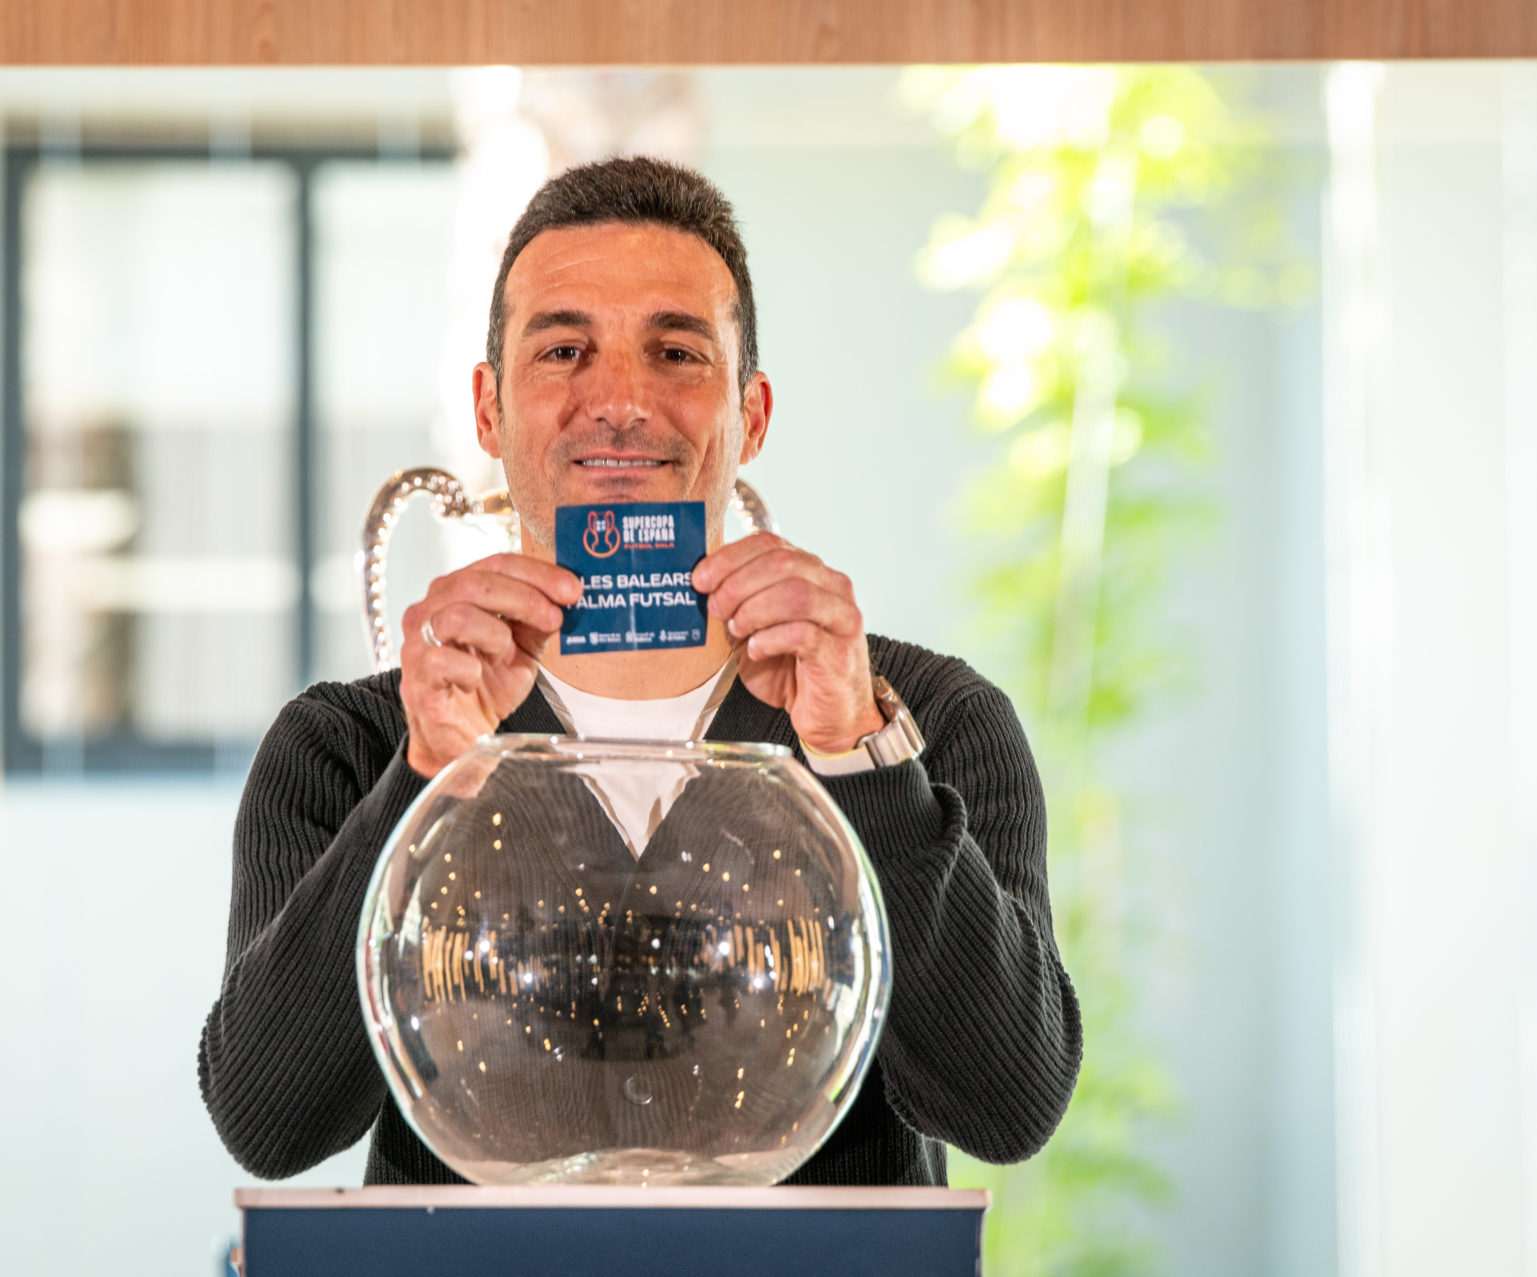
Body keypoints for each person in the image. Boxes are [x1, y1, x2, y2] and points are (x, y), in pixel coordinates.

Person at [198, 156, 1081, 1186]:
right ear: (488, 409)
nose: (620, 401)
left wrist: (856, 755)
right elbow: (270, 1118)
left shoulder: (924, 721)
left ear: (752, 414)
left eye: (676, 352)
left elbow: (1009, 1102)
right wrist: (428, 775)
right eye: (563, 350)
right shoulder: (347, 747)